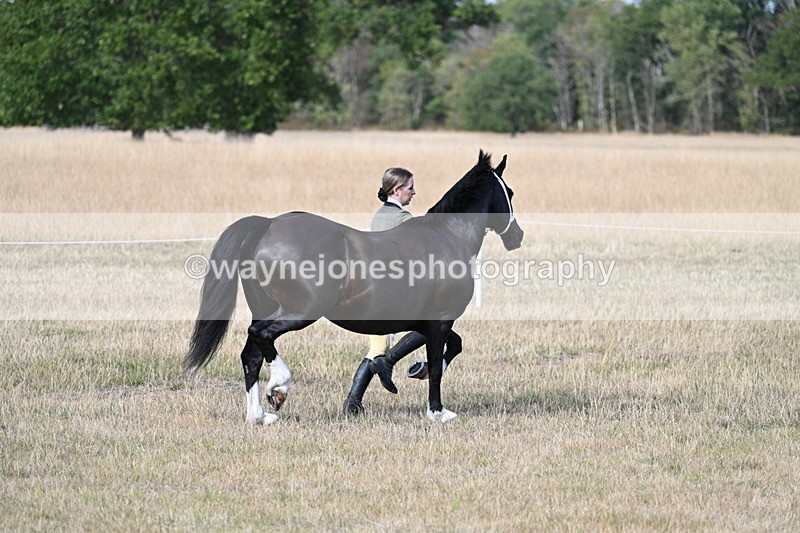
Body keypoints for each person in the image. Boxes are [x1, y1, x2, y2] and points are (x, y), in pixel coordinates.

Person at [342, 167, 419, 415]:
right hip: (391, 294)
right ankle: (390, 362)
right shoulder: (402, 218)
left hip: (373, 291)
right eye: (410, 188)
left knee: (377, 348)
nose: (414, 192)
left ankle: (353, 402)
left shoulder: (380, 215)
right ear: (397, 190)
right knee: (430, 326)